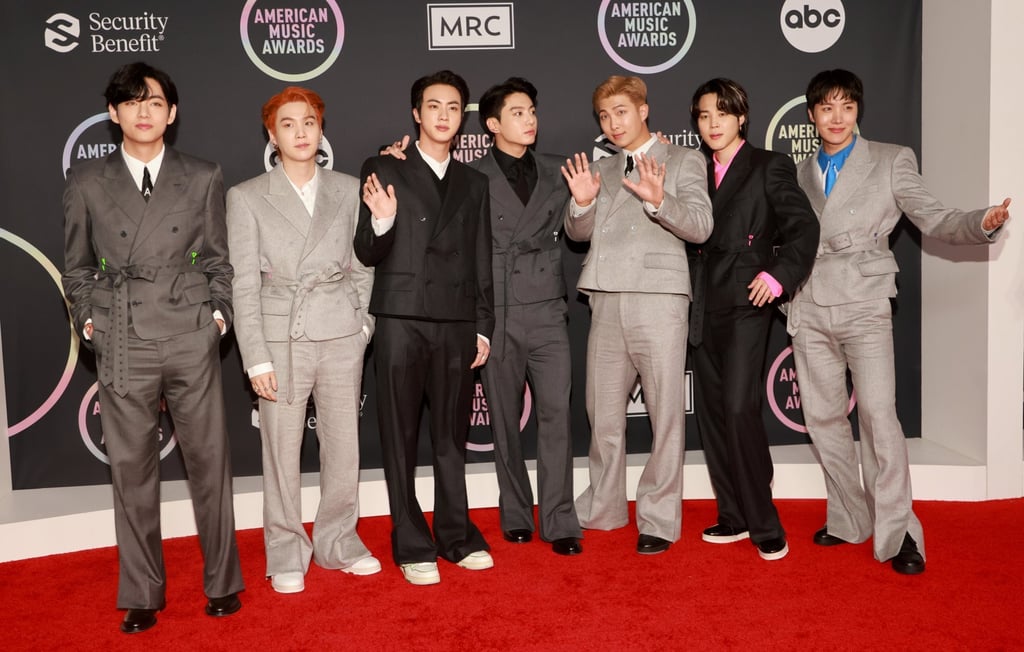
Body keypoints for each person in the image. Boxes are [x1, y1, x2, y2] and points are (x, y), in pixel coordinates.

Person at [790, 69, 1011, 574]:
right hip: (810, 304)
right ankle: (848, 517)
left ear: (858, 111)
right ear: (812, 115)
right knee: (822, 419)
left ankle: (900, 533)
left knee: (878, 416)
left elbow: (933, 216)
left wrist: (980, 222)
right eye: (827, 108)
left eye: (847, 107)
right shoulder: (798, 172)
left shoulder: (891, 159)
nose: (837, 118)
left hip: (865, 302)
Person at [62, 61, 243, 634]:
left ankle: (223, 582)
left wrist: (218, 317)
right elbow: (77, 267)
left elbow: (218, 259)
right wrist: (90, 321)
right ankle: (142, 592)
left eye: (155, 101)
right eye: (132, 101)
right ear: (113, 113)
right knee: (131, 471)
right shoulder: (86, 181)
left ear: (172, 112)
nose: (145, 111)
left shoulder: (203, 174)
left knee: (210, 464)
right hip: (122, 336)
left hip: (190, 332)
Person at [379, 77, 583, 556]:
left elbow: (584, 225)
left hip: (547, 307)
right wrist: (394, 159)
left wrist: (588, 200)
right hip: (497, 308)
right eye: (517, 113)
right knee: (504, 421)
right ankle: (516, 514)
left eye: (532, 111)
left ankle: (560, 519)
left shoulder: (561, 171)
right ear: (491, 124)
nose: (529, 120)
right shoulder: (468, 178)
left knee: (557, 415)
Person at [226, 87, 380, 595]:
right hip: (280, 337)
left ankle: (339, 541)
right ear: (272, 135)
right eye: (288, 124)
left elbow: (363, 266)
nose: (300, 132)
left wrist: (362, 325)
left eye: (309, 122)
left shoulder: (349, 189)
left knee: (344, 447)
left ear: (321, 129)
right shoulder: (247, 196)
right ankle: (286, 550)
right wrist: (255, 357)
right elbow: (243, 284)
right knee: (280, 451)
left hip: (340, 333)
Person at [561, 75, 713, 555]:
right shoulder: (600, 168)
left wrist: (659, 200)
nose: (613, 123)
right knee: (602, 413)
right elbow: (577, 233)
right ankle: (603, 506)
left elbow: (701, 226)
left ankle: (659, 518)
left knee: (666, 414)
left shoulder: (683, 159)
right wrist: (582, 202)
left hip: (660, 299)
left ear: (644, 110)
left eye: (621, 112)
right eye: (605, 116)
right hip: (606, 298)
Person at [354, 70, 495, 585]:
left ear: (463, 117)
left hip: (456, 321)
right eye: (433, 106)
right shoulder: (383, 167)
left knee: (451, 437)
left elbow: (481, 258)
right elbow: (365, 250)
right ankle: (411, 542)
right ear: (416, 113)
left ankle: (456, 535)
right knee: (400, 436)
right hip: (402, 318)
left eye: (453, 107)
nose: (443, 115)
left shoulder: (474, 182)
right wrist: (384, 220)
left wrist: (483, 326)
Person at [686, 79, 820, 561]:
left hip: (747, 301)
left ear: (741, 117)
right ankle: (733, 515)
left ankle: (764, 521)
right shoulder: (692, 170)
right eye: (704, 115)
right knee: (713, 414)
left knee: (740, 408)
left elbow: (804, 226)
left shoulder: (769, 165)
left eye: (722, 113)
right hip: (699, 303)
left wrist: (778, 276)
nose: (713, 123)